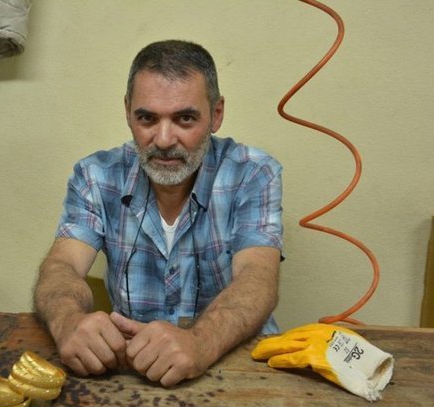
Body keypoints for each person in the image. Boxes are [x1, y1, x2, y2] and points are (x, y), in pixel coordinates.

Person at [34, 40, 283, 387]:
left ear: (216, 114)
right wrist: (67, 321)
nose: (164, 140)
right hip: (133, 374)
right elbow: (62, 266)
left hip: (237, 370)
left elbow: (258, 278)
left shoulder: (253, 173)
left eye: (185, 118)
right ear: (127, 112)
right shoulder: (96, 176)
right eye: (147, 118)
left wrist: (200, 342)